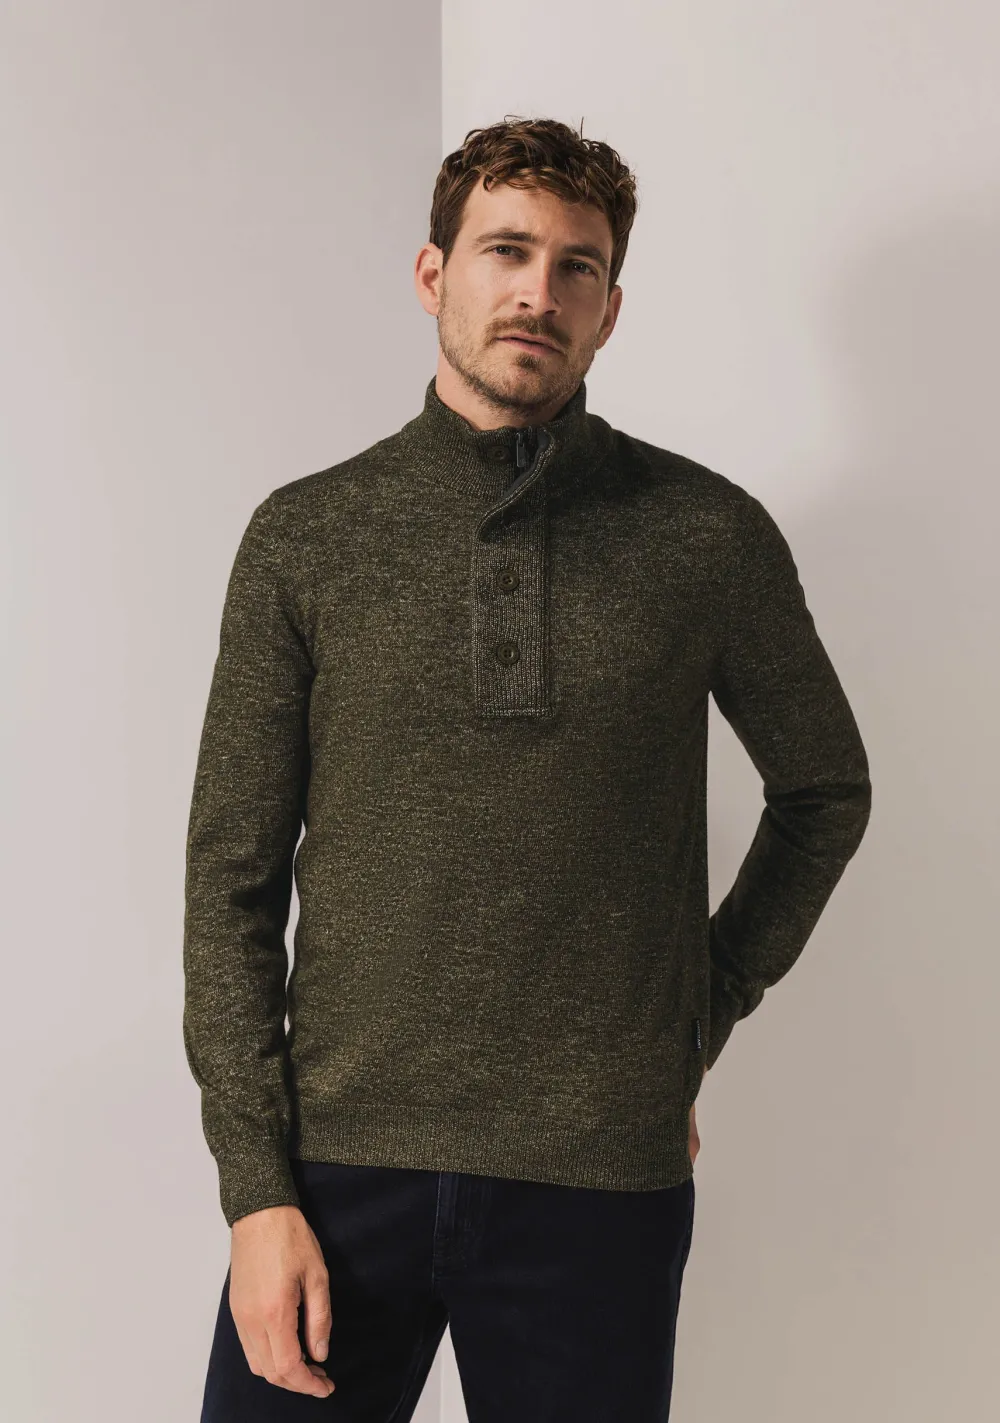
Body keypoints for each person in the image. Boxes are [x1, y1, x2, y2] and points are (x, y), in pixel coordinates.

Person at [183, 115, 872, 1421]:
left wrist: (695, 1019)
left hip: (598, 1180)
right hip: (339, 1167)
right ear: (433, 273)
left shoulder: (706, 536)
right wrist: (255, 1190)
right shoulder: (308, 536)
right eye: (506, 250)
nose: (538, 293)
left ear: (611, 308)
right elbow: (230, 879)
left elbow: (825, 789)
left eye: (577, 266)